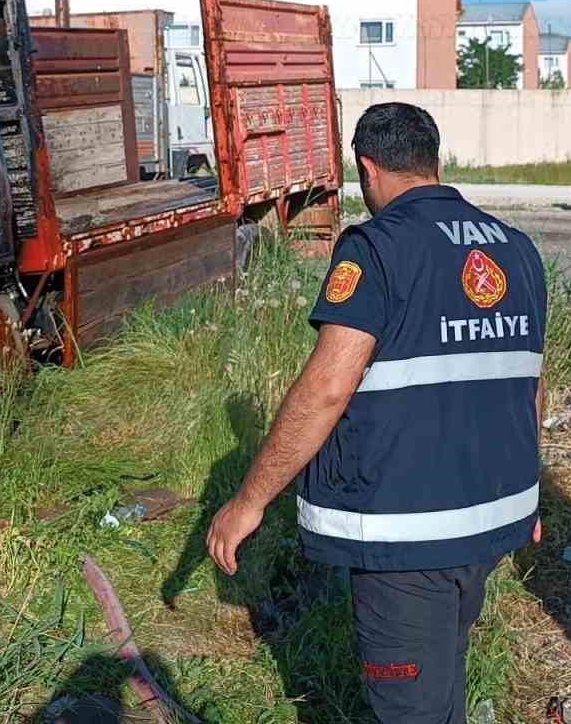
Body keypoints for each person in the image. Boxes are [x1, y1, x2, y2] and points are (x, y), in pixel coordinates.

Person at [206, 102, 547, 723]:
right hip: (490, 525)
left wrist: (248, 501)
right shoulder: (518, 250)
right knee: (441, 683)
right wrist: (528, 499)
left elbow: (328, 388)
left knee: (413, 709)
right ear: (434, 162)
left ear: (368, 167)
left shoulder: (377, 247)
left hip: (409, 538)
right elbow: (524, 386)